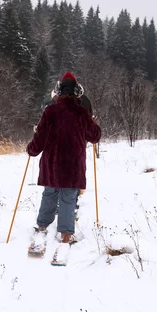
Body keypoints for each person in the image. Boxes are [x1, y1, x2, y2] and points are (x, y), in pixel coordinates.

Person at [27, 72, 102, 252]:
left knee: (50, 193)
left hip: (52, 162)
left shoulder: (50, 111)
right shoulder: (82, 112)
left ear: (59, 92)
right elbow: (95, 136)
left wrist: (32, 149)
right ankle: (66, 235)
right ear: (77, 92)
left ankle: (42, 226)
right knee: (68, 197)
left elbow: (40, 136)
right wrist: (92, 123)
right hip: (73, 164)